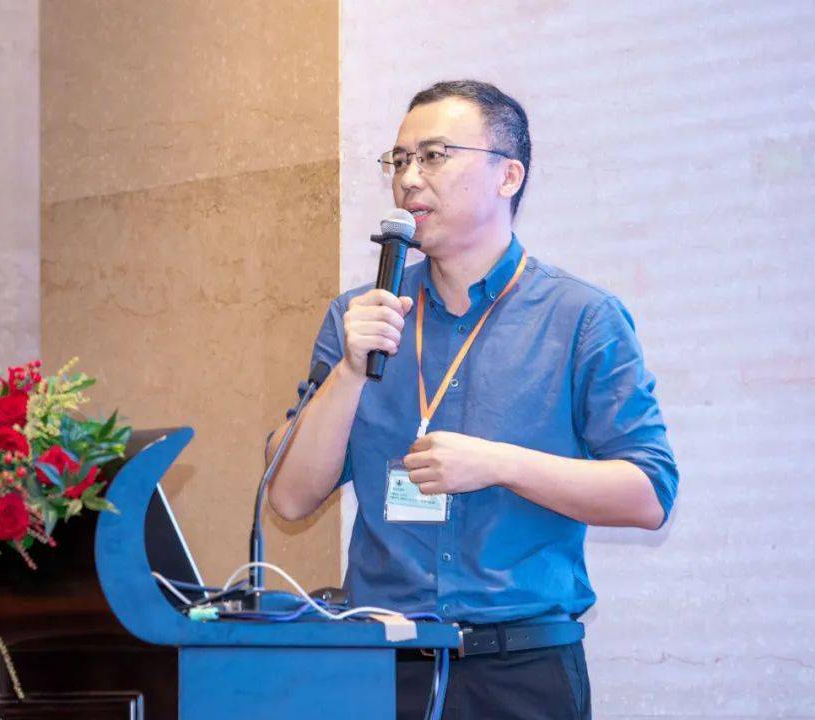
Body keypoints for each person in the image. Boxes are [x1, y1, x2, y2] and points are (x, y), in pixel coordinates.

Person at [265, 80, 678, 719]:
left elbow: (649, 495)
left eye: (434, 156)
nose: (409, 179)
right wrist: (348, 370)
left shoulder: (580, 317)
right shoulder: (361, 317)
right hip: (381, 667)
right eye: (399, 160)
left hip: (522, 671)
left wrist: (499, 464)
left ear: (508, 175)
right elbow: (290, 498)